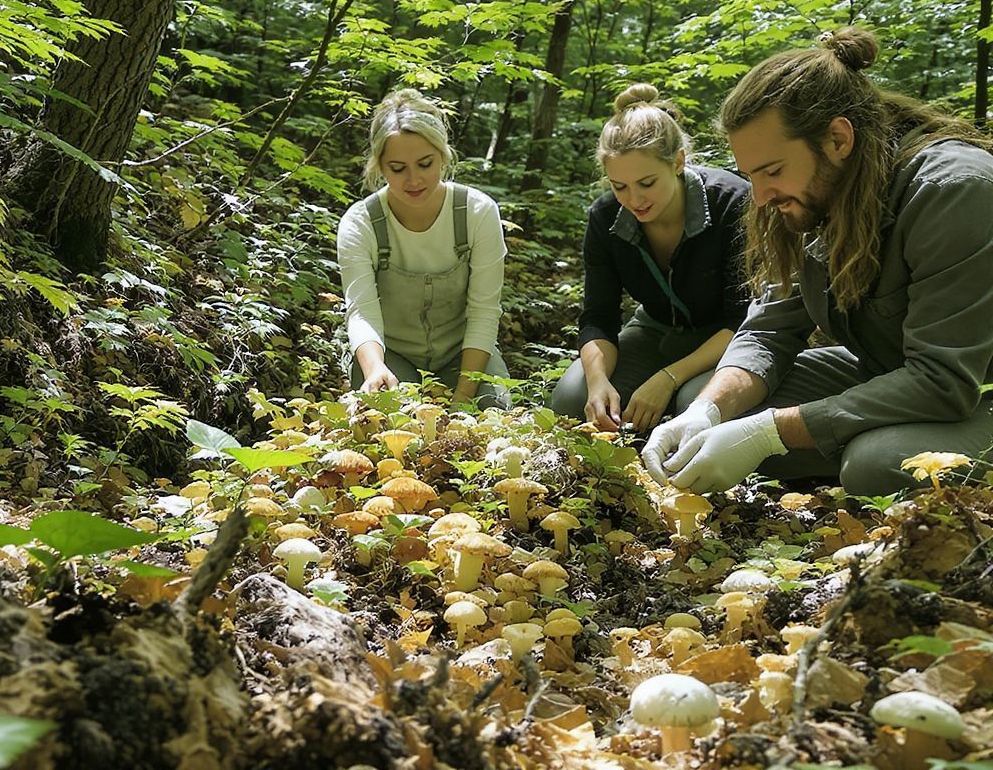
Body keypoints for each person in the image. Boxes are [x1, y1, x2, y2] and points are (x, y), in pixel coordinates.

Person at [642, 27, 993, 496]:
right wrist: (704, 412)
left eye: (772, 172)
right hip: (888, 373)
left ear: (838, 140)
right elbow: (769, 329)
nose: (761, 197)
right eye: (751, 176)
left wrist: (768, 433)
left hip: (972, 392)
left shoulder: (953, 191)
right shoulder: (814, 198)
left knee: (878, 463)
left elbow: (942, 380)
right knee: (705, 400)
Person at [550, 83, 751, 433]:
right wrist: (597, 381)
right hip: (656, 327)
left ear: (677, 162)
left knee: (692, 400)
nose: (634, 199)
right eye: (619, 186)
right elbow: (599, 317)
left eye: (646, 183)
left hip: (725, 335)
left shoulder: (732, 203)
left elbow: (743, 319)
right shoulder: (605, 217)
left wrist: (668, 378)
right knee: (572, 400)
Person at [337, 89, 509, 406]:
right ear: (380, 166)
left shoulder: (478, 212)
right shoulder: (361, 223)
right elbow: (361, 312)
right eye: (398, 168)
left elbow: (484, 312)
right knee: (386, 414)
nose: (414, 180)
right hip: (392, 354)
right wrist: (375, 369)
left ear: (443, 156)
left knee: (492, 415)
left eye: (425, 164)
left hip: (464, 355)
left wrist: (462, 399)